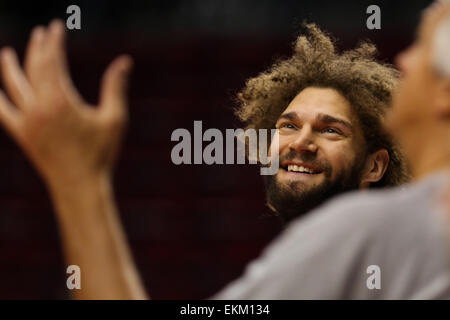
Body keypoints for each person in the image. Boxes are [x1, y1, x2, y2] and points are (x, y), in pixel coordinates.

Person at [0, 2, 446, 298]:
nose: (301, 141)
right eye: (288, 125)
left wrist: (77, 178)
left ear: (376, 164)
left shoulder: (367, 231)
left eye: (330, 130)